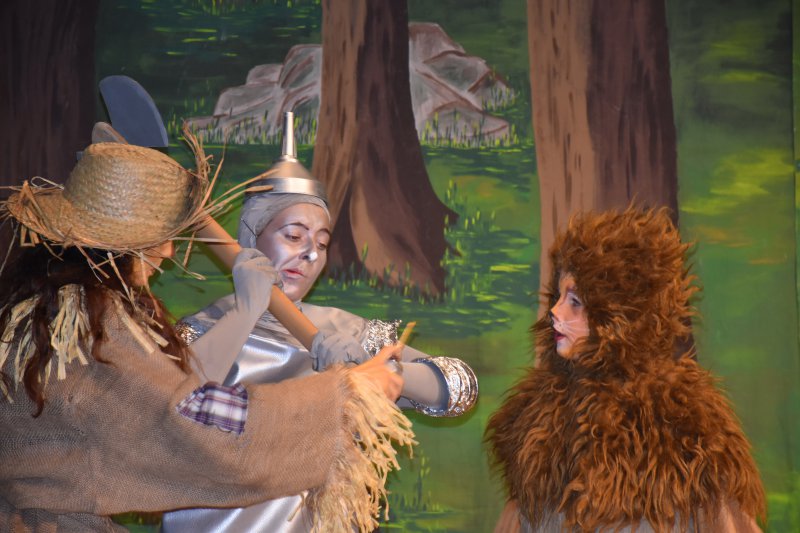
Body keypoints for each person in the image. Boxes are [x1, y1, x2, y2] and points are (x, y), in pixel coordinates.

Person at [0, 137, 414, 533]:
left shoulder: (46, 309)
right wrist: (346, 392)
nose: (168, 252)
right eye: (292, 235)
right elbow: (189, 423)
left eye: (321, 242)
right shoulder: (91, 321)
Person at [161, 112, 478, 532]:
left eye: (322, 243)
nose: (310, 255)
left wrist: (377, 374)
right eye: (294, 236)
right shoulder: (199, 332)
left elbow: (460, 389)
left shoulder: (343, 330)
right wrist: (245, 313)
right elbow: (167, 416)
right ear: (251, 239)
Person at [485, 208, 766, 532]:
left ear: (622, 317)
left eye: (575, 301)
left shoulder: (688, 433)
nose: (555, 312)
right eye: (558, 296)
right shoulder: (535, 428)